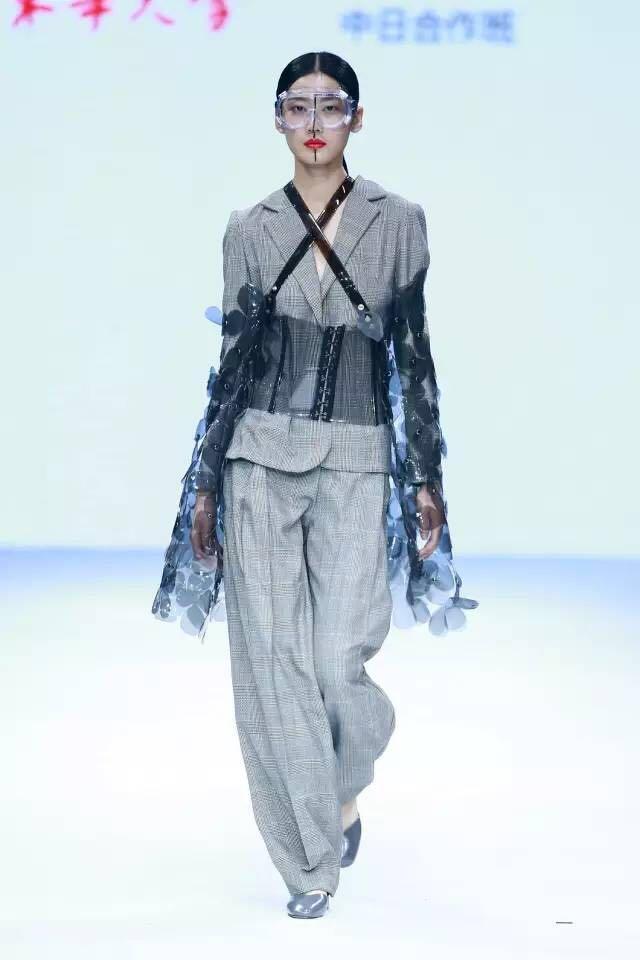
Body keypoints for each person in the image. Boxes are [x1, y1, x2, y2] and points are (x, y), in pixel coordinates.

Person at [152, 50, 477, 919]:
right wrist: (205, 484)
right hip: (257, 453)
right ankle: (309, 864)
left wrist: (425, 474)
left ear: (357, 119)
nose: (315, 123)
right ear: (278, 120)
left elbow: (413, 351)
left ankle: (341, 789)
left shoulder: (398, 221)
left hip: (359, 455)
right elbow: (234, 362)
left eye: (332, 106)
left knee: (338, 658)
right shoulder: (248, 228)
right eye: (298, 107)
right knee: (272, 661)